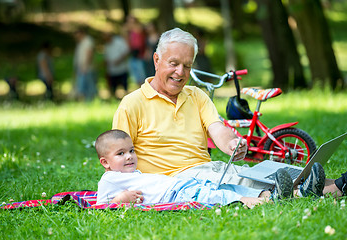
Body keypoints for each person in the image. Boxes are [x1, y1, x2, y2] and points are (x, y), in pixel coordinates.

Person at [112, 27, 347, 198]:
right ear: (156, 60)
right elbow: (116, 156)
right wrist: (127, 193)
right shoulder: (132, 104)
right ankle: (327, 190)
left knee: (267, 170)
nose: (180, 72)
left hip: (208, 170)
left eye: (187, 65)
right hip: (176, 180)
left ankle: (333, 184)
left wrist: (233, 143)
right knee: (246, 179)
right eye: (173, 63)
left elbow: (217, 129)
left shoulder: (197, 96)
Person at [95, 129, 296, 208]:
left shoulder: (131, 173)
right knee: (216, 196)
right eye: (120, 154)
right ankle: (254, 202)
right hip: (175, 193)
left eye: (131, 150)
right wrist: (119, 200)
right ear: (105, 162)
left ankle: (272, 194)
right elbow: (99, 207)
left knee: (226, 187)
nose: (129, 156)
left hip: (182, 183)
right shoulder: (109, 179)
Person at [103, 31, 130, 99]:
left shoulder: (119, 42)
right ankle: (114, 98)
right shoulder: (106, 45)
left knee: (124, 86)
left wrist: (119, 60)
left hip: (122, 68)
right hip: (112, 70)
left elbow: (126, 51)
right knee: (113, 86)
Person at [73, 27, 97, 101]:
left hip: (87, 68)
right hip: (81, 68)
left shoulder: (88, 41)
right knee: (83, 86)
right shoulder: (81, 42)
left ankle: (91, 100)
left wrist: (85, 66)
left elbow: (89, 54)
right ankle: (87, 100)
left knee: (89, 86)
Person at [122, 15, 146, 86]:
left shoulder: (139, 30)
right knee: (136, 78)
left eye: (132, 22)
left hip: (140, 56)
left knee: (142, 77)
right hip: (133, 55)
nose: (130, 24)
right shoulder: (130, 33)